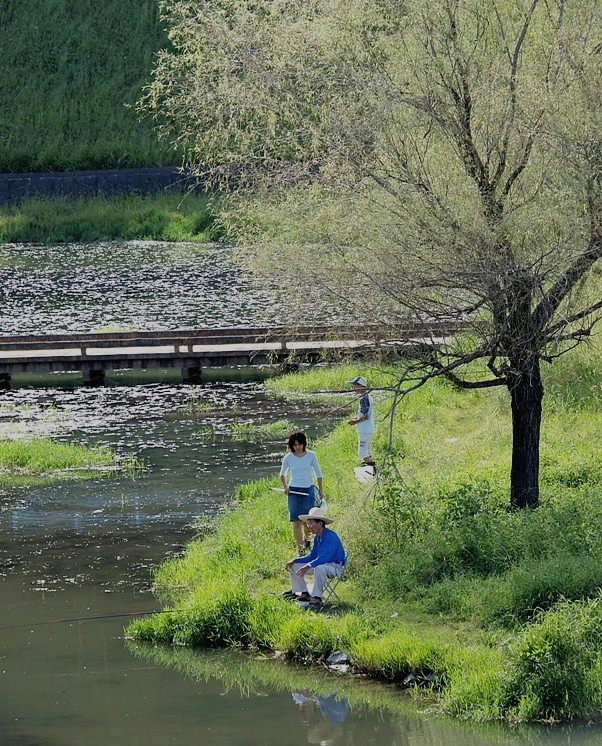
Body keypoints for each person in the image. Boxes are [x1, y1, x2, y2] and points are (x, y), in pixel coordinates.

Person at [284, 507, 346, 609]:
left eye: (311, 523)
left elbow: (325, 557)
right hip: (321, 564)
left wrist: (308, 565)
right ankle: (304, 594)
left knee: (320, 567)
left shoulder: (331, 536)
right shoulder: (318, 537)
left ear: (320, 524)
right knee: (294, 566)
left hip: (334, 566)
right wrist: (295, 560)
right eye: (308, 524)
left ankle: (316, 597)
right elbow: (312, 556)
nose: (309, 526)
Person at [280, 431, 324, 552]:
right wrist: (286, 487)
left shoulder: (311, 455)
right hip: (293, 491)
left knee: (307, 521)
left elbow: (319, 474)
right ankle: (300, 548)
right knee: (296, 521)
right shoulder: (288, 458)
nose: (297, 447)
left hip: (308, 490)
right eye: (294, 445)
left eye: (299, 444)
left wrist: (320, 491)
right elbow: (282, 474)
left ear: (304, 444)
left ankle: (307, 539)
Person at [347, 375, 376, 474]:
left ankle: (371, 471)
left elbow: (366, 416)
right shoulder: (367, 397)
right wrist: (356, 418)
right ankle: (370, 469)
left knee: (362, 452)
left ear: (360, 386)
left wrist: (355, 421)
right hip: (368, 429)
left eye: (355, 386)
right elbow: (364, 414)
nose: (354, 388)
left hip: (365, 430)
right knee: (367, 451)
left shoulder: (364, 399)